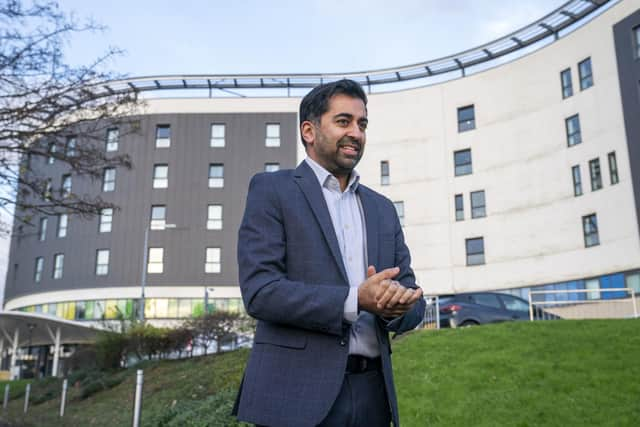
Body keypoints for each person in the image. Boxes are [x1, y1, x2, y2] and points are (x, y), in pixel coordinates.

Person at [233, 79, 425, 427]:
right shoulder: (271, 190)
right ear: (309, 130)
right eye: (343, 121)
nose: (356, 132)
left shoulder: (382, 209)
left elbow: (413, 298)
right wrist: (356, 300)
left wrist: (395, 307)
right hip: (294, 395)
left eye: (362, 124)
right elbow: (261, 292)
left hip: (373, 396)